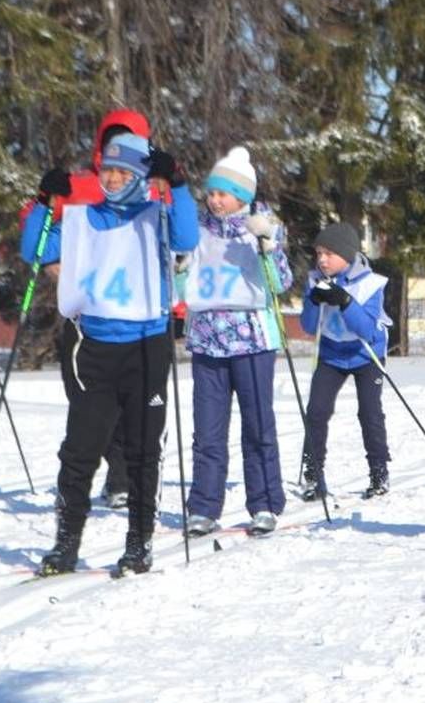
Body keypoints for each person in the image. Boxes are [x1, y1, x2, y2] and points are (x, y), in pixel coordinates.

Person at [27, 132, 200, 576]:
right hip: (95, 349)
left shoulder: (156, 217)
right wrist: (45, 201)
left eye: (125, 171)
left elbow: (185, 237)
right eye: (108, 171)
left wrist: (176, 184)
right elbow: (36, 249)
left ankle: (138, 542)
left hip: (147, 346)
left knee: (144, 450)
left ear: (141, 176)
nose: (115, 179)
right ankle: (66, 543)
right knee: (80, 451)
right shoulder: (83, 220)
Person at [32, 108, 153, 510]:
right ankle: (89, 478)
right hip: (86, 315)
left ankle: (123, 476)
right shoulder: (80, 185)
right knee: (84, 400)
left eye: (126, 139)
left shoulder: (150, 190)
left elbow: (178, 241)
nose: (114, 167)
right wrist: (44, 199)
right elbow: (38, 243)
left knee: (129, 406)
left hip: (136, 323)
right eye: (109, 140)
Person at [180, 146, 293, 536]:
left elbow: (281, 283)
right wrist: (177, 264)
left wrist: (269, 246)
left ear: (242, 196)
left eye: (222, 194)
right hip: (208, 340)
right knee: (207, 430)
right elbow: (182, 285)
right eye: (211, 193)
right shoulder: (197, 230)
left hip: (252, 341)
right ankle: (204, 507)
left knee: (258, 425)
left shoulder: (264, 225)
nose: (214, 200)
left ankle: (265, 502)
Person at [297, 222, 390, 503]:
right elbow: (309, 327)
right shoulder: (315, 280)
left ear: (347, 255)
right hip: (331, 354)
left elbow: (366, 329)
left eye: (329, 254)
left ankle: (379, 472)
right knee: (316, 411)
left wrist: (346, 302)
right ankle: (313, 475)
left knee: (369, 412)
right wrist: (314, 301)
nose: (322, 260)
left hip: (365, 354)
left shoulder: (371, 283)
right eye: (319, 253)